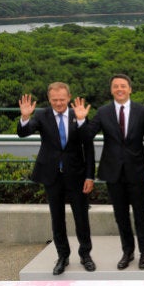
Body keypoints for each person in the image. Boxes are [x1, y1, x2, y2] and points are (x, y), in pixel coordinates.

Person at [73, 74, 144, 270]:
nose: (119, 89)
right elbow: (86, 136)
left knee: (141, 214)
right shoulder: (103, 112)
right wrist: (80, 121)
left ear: (130, 89)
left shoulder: (143, 111)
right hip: (113, 172)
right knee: (120, 215)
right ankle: (127, 252)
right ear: (111, 90)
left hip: (137, 170)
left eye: (123, 86)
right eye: (116, 86)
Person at [17, 83, 96, 275]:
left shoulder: (78, 114)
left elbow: (89, 145)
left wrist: (89, 176)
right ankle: (63, 256)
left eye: (62, 99)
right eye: (54, 100)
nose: (58, 103)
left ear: (68, 98)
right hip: (51, 176)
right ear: (49, 99)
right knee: (57, 218)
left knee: (81, 217)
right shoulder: (42, 115)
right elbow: (23, 132)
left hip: (76, 176)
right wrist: (25, 117)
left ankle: (85, 255)